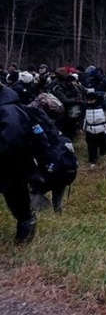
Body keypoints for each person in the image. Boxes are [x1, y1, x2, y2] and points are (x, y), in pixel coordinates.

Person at [0, 83, 37, 244]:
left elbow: (12, 139)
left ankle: (26, 229)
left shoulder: (8, 110)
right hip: (10, 164)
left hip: (12, 165)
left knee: (17, 200)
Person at [83, 89, 106, 168]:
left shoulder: (104, 105)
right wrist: (82, 127)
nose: (89, 102)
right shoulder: (85, 106)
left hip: (102, 128)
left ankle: (102, 153)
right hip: (90, 129)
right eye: (88, 100)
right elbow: (83, 117)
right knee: (91, 145)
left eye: (91, 100)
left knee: (103, 143)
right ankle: (92, 160)